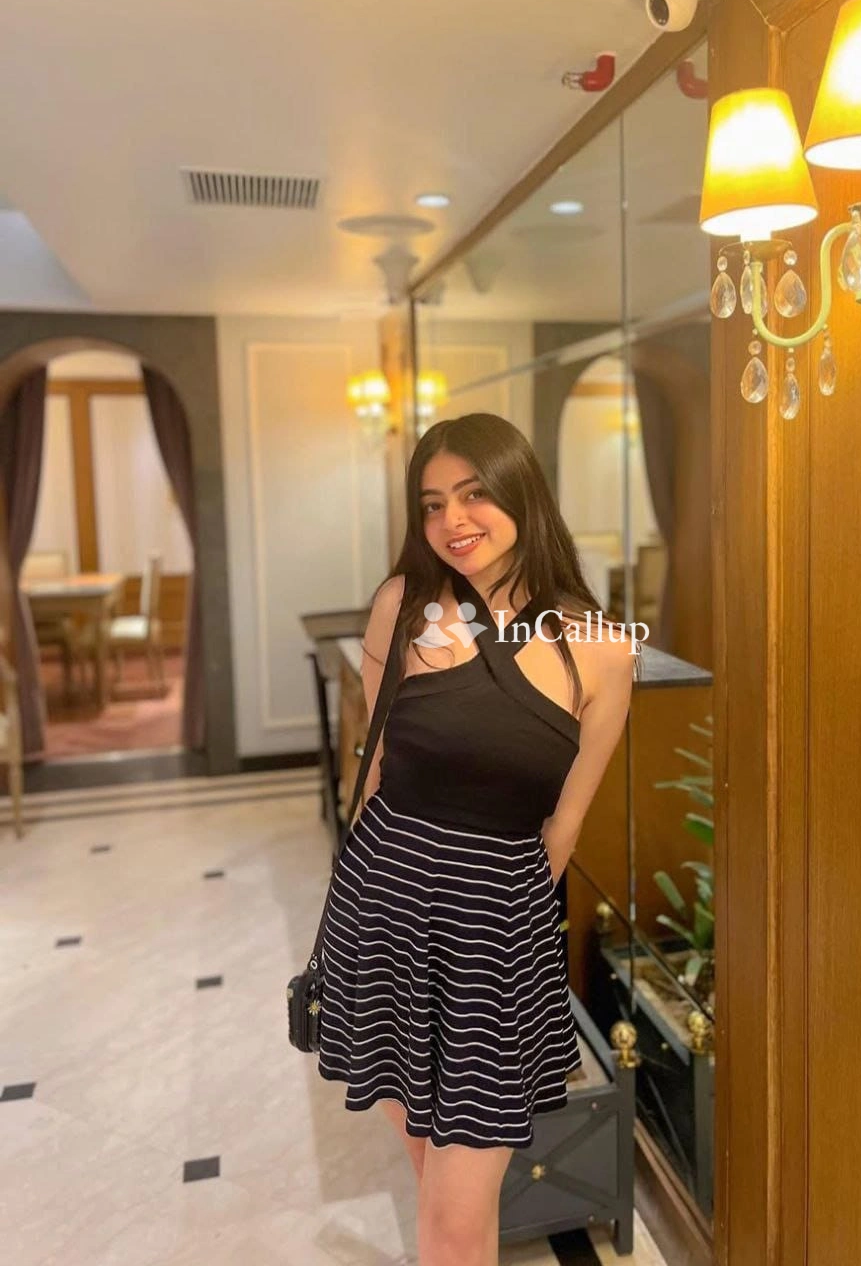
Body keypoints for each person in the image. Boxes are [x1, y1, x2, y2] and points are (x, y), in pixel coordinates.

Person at [316, 412, 640, 1266]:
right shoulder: (402, 606)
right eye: (431, 504)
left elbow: (563, 828)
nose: (451, 520)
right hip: (383, 916)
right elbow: (378, 775)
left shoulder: (603, 651)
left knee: (456, 1213)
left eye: (472, 494)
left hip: (493, 942)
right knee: (441, 1193)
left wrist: (492, 910)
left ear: (519, 492)